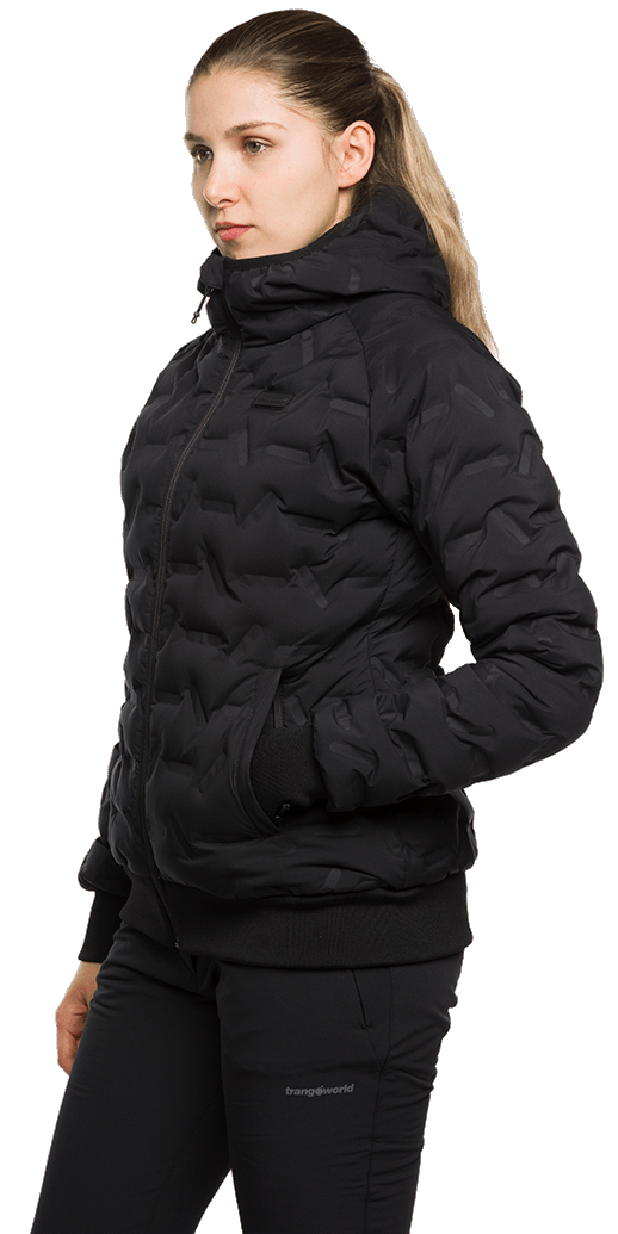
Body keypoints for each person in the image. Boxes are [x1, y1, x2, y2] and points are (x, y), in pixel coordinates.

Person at [32, 11, 602, 1234]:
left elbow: (552, 668)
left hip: (336, 945)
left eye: (255, 145)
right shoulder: (195, 373)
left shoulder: (428, 371)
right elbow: (164, 671)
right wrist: (105, 923)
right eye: (199, 153)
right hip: (167, 932)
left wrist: (290, 758)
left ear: (351, 152)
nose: (217, 186)